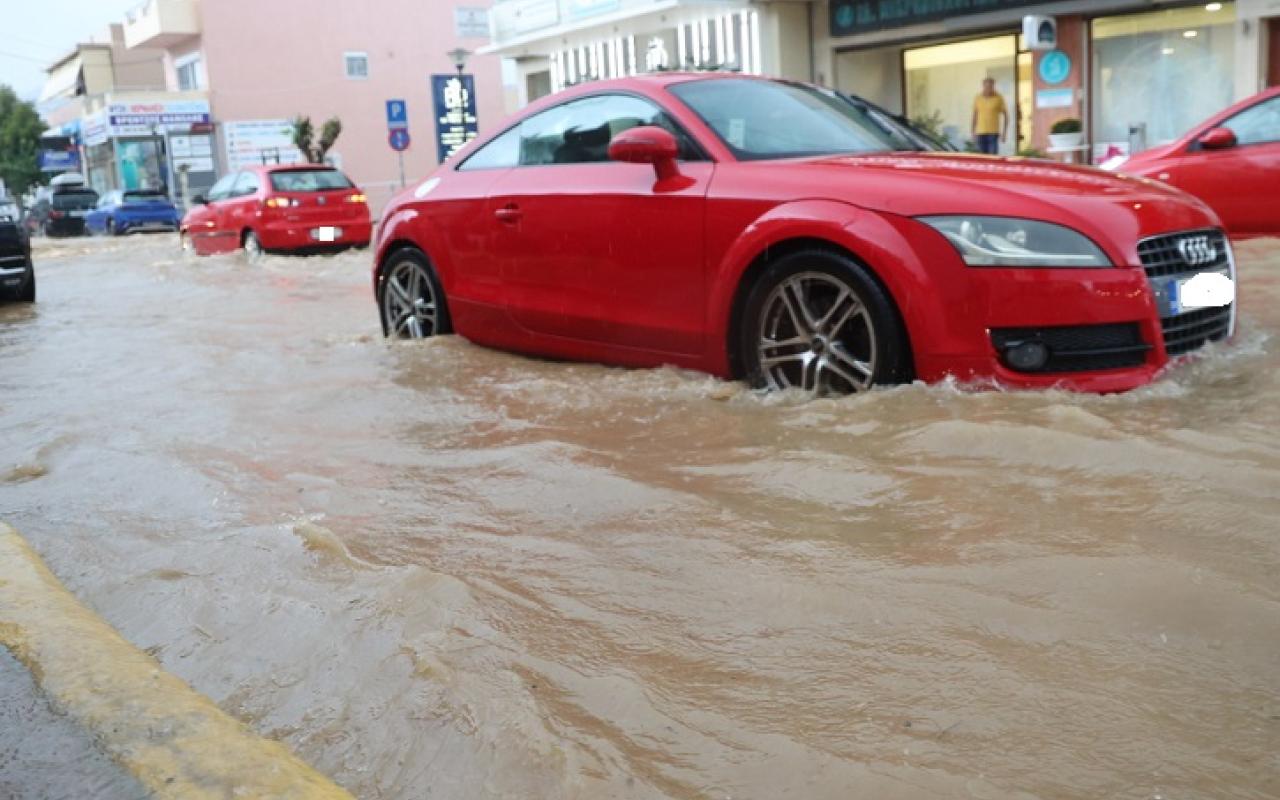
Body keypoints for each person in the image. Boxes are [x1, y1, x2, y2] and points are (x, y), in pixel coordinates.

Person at [971, 77, 1008, 156]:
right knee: (981, 158)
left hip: (993, 133)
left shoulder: (999, 97)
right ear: (983, 86)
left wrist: (1004, 133)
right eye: (986, 86)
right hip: (980, 133)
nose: (988, 89)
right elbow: (974, 115)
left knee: (992, 158)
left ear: (993, 86)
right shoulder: (977, 98)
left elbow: (1006, 116)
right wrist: (972, 131)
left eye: (990, 86)